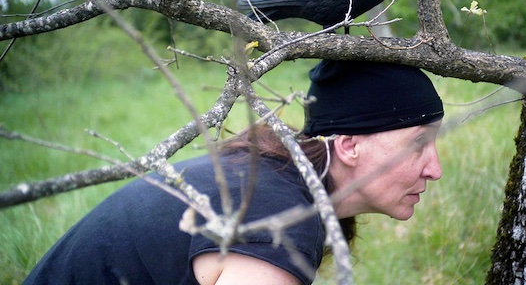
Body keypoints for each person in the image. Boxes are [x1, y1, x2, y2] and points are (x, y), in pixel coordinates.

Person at [23, 60, 444, 285]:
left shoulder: (268, 175)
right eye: (419, 144)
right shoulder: (277, 223)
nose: (435, 169)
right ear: (350, 145)